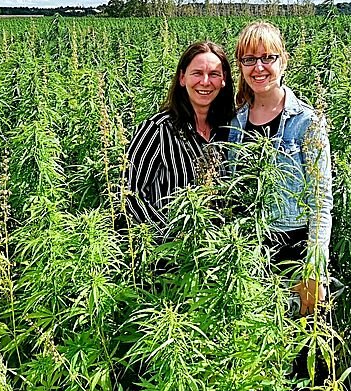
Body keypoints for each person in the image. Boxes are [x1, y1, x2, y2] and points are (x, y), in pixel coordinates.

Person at [228, 21, 332, 315]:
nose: (258, 67)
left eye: (267, 58)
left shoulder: (306, 122)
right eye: (249, 60)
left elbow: (320, 199)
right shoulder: (236, 121)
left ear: (283, 61)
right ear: (241, 66)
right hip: (249, 249)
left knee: (300, 345)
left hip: (295, 247)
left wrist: (314, 266)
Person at [124, 41, 235, 228]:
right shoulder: (157, 129)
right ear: (182, 78)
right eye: (197, 73)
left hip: (217, 249)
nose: (205, 82)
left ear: (223, 80)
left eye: (214, 74)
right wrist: (172, 237)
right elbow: (129, 194)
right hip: (171, 252)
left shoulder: (229, 129)